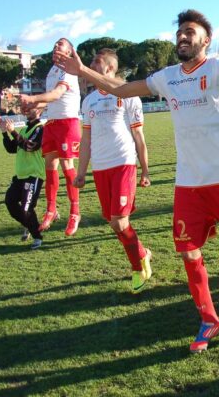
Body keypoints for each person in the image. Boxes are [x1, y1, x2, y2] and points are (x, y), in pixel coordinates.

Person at [54, 0, 219, 352]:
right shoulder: (168, 77)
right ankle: (209, 319)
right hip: (188, 184)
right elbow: (123, 88)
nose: (183, 37)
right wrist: (82, 70)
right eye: (180, 33)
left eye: (190, 31)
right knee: (188, 252)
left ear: (206, 39)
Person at [75, 48, 153, 293]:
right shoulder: (88, 101)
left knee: (120, 222)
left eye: (95, 61)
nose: (90, 64)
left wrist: (145, 170)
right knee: (113, 222)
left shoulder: (128, 95)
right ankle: (143, 254)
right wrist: (81, 172)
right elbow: (85, 140)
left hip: (123, 163)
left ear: (108, 67)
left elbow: (138, 135)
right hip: (100, 168)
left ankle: (138, 268)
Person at [18, 38, 82, 237]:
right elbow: (49, 101)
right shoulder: (52, 71)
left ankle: (75, 212)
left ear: (70, 52)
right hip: (52, 123)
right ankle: (52, 209)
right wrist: (33, 106)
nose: (56, 46)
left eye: (61, 44)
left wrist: (33, 98)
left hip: (67, 123)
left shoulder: (69, 70)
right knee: (50, 167)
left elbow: (56, 94)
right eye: (55, 44)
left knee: (67, 166)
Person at [0, 109, 45, 249]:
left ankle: (37, 236)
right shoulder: (24, 129)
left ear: (40, 112)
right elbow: (11, 148)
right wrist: (4, 133)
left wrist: (13, 132)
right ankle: (29, 225)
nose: (29, 110)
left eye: (33, 108)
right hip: (20, 176)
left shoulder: (41, 129)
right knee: (10, 201)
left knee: (27, 209)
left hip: (34, 175)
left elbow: (30, 146)